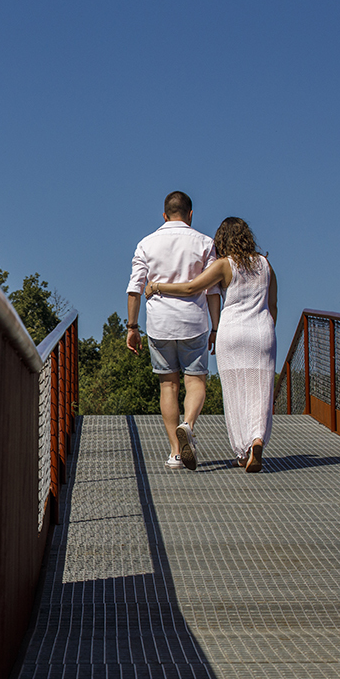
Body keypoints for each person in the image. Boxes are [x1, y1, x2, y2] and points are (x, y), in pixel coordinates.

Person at [145, 217, 278, 472]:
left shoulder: (224, 265)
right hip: (262, 331)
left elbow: (192, 287)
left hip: (233, 332)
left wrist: (158, 286)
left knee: (236, 392)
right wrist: (268, 329)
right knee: (261, 390)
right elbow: (273, 306)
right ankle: (257, 440)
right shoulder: (265, 264)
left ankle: (242, 452)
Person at [126, 191, 221, 470]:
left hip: (160, 325)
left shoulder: (146, 244)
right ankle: (188, 424)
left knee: (168, 385)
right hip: (194, 322)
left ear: (164, 215)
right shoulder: (205, 243)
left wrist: (132, 327)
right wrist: (216, 327)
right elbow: (213, 290)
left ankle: (175, 453)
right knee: (196, 382)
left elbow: (134, 289)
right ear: (191, 215)